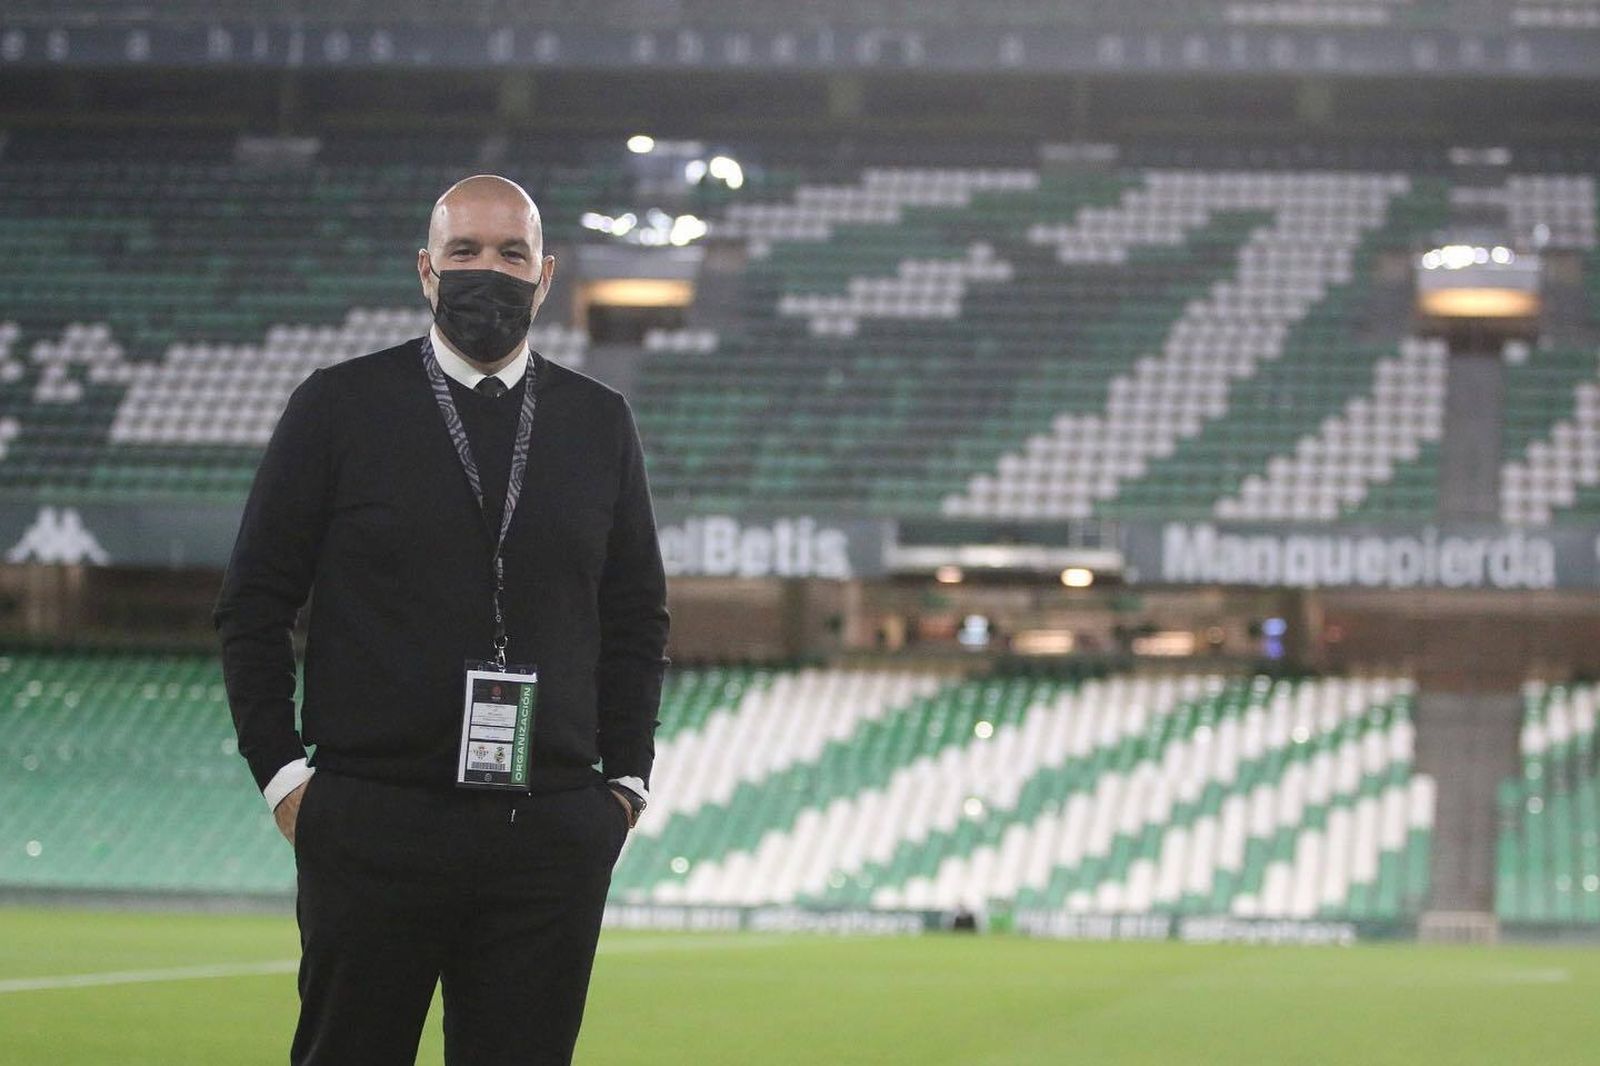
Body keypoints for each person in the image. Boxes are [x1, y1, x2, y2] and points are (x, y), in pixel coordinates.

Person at [214, 174, 670, 1066]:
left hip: (548, 828)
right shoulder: (338, 406)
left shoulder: (599, 422)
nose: (486, 270)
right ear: (426, 270)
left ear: (545, 276)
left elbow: (635, 617)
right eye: (464, 251)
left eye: (511, 253)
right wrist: (285, 780)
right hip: (373, 818)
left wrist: (623, 787)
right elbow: (254, 601)